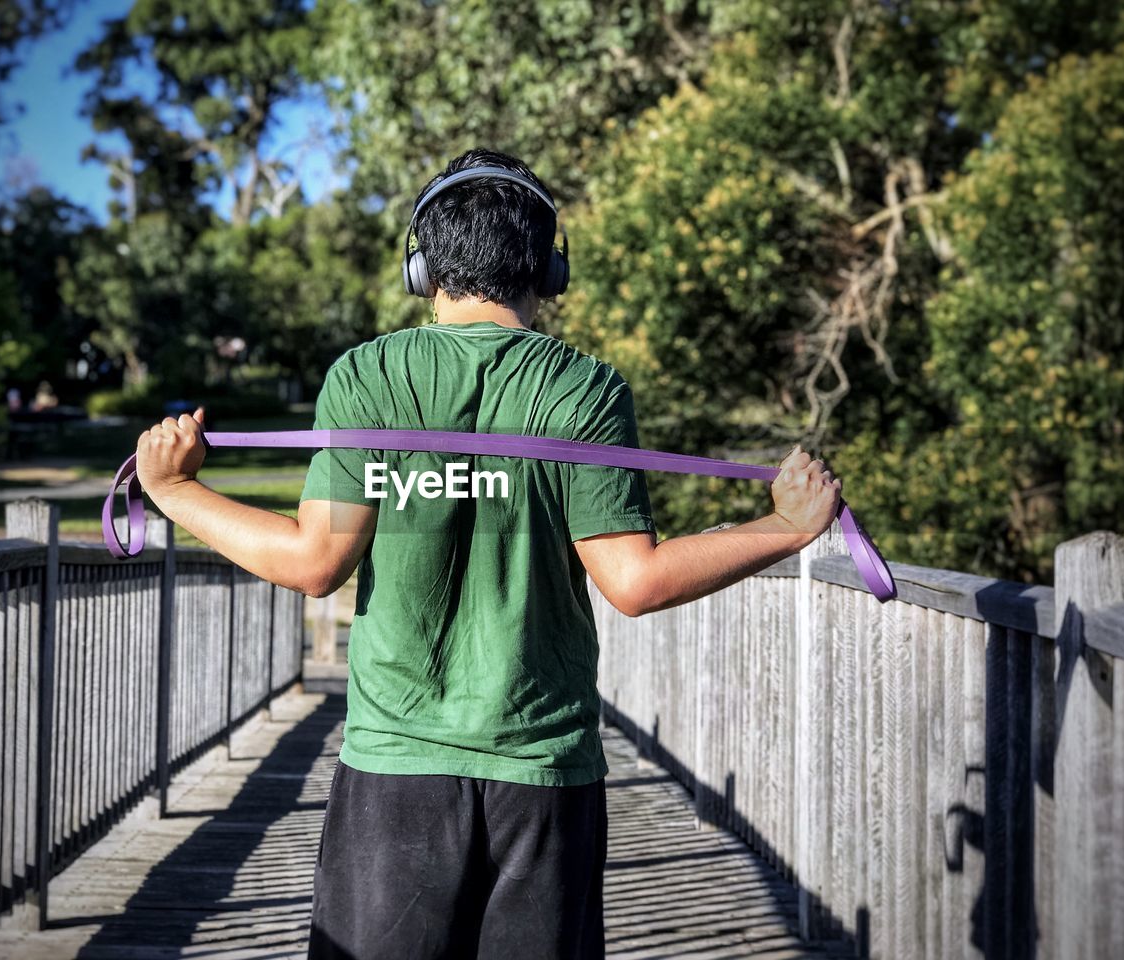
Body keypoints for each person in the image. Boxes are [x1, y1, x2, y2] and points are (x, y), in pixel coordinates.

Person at [132, 148, 843, 960]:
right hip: (542, 776)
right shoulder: (584, 388)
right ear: (547, 266)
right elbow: (634, 582)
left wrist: (176, 492)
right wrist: (786, 527)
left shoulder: (367, 376)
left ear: (422, 267)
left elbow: (312, 564)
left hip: (394, 771)